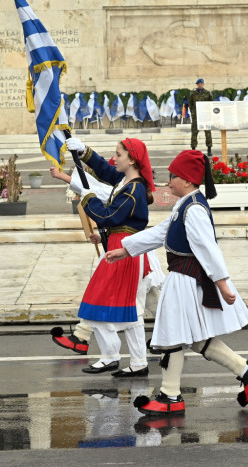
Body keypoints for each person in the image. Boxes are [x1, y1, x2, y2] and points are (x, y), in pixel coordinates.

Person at [107, 150, 248, 417]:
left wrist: (223, 283)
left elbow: (207, 248)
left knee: (172, 336)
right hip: (183, 279)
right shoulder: (186, 204)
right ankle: (245, 370)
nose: (168, 181)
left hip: (186, 280)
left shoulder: (194, 209)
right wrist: (127, 248)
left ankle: (170, 396)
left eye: (173, 176)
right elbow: (162, 232)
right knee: (194, 338)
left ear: (189, 181)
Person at [50, 136, 163, 377]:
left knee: (105, 304)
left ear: (132, 159)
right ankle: (125, 359)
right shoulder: (126, 181)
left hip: (127, 251)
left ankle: (119, 358)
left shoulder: (133, 190)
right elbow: (105, 170)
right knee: (119, 306)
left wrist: (87, 197)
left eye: (119, 154)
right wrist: (84, 152)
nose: (114, 158)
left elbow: (110, 217)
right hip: (120, 246)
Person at [189, 78, 213, 156]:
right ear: (197, 85)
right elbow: (190, 104)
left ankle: (209, 149)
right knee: (194, 133)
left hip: (205, 116)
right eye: (198, 84)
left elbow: (211, 104)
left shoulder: (207, 93)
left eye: (201, 83)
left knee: (208, 133)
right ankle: (193, 149)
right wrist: (193, 113)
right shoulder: (193, 93)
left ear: (203, 84)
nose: (200, 85)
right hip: (196, 116)